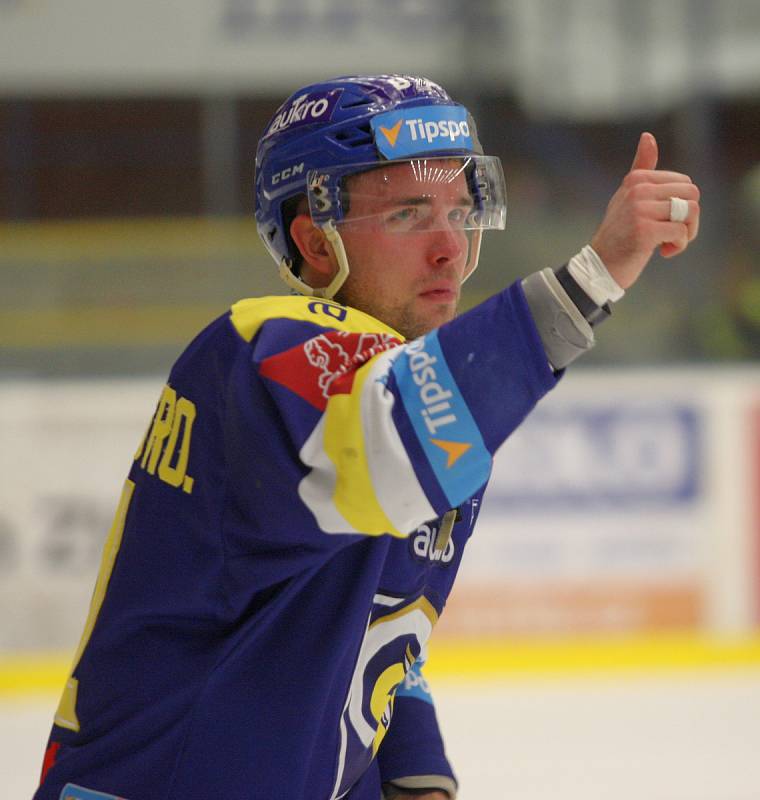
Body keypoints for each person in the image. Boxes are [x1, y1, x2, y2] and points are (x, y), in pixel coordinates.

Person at [34, 75, 700, 800]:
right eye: (411, 214)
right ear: (316, 243)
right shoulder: (270, 352)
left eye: (461, 208)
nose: (451, 246)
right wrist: (592, 276)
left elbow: (377, 623)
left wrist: (410, 763)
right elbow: (396, 443)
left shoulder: (408, 390)